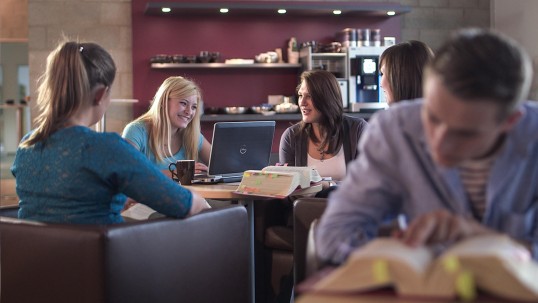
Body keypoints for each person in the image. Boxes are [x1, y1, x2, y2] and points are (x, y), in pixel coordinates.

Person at [317, 28, 538, 265]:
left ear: (510, 121)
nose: (439, 146)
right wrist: (398, 262)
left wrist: (487, 242)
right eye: (432, 117)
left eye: (464, 133)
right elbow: (334, 235)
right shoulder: (395, 129)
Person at [10, 40, 210, 224]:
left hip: (34, 259)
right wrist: (203, 204)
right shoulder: (107, 148)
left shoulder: (27, 144)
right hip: (104, 258)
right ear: (100, 95)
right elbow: (183, 204)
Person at [279, 69, 368, 189]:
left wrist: (328, 186)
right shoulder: (291, 136)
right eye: (300, 95)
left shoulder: (357, 130)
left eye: (309, 96)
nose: (302, 103)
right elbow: (286, 194)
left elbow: (368, 183)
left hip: (348, 206)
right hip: (305, 207)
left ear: (327, 99)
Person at [122, 76, 211, 174]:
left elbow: (221, 165)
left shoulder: (192, 135)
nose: (189, 112)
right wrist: (178, 173)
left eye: (194, 107)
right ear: (163, 102)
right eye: (183, 103)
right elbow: (128, 172)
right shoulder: (136, 131)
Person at [379, 40, 434, 105]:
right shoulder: (442, 112)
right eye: (382, 74)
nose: (381, 84)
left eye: (387, 74)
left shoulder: (387, 115)